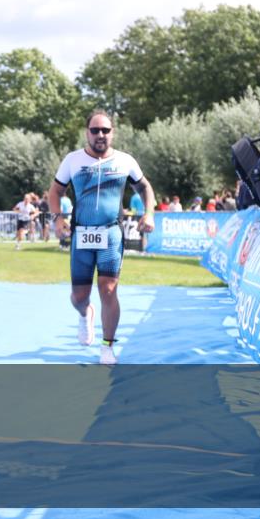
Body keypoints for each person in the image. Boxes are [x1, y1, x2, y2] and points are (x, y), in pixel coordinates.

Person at [47, 110, 156, 365]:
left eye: (105, 130)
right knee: (79, 297)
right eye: (95, 130)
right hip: (81, 235)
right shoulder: (73, 160)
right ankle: (85, 313)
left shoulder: (125, 160)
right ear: (87, 132)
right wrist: (58, 219)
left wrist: (149, 213)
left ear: (112, 133)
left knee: (108, 289)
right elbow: (55, 192)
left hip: (111, 234)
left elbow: (145, 187)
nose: (100, 135)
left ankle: (107, 346)